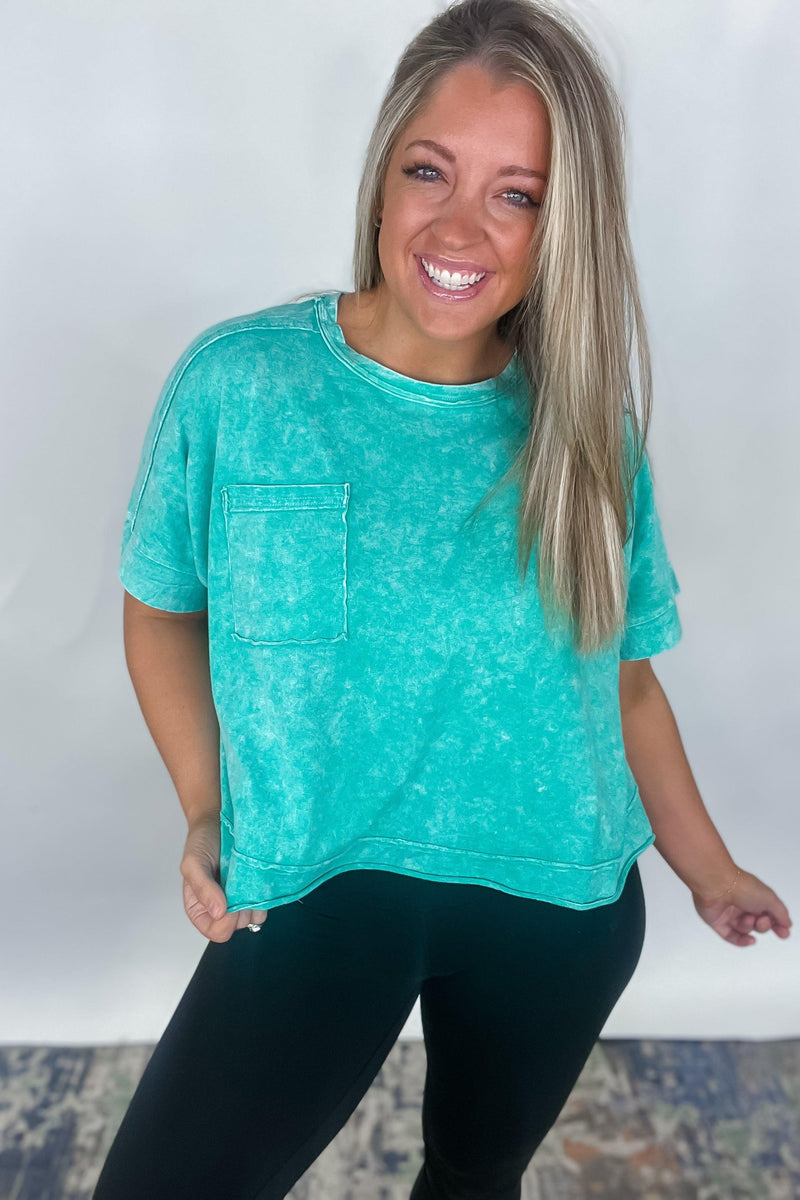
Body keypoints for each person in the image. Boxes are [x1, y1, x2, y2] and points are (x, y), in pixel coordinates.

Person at [93, 1, 792, 1197]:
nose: (459, 226)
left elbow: (623, 684)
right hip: (309, 886)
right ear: (381, 176)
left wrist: (710, 870)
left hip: (552, 907)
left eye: (516, 194)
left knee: (472, 1181)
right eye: (430, 170)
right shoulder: (244, 385)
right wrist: (207, 808)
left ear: (560, 228)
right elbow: (163, 610)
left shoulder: (583, 432)